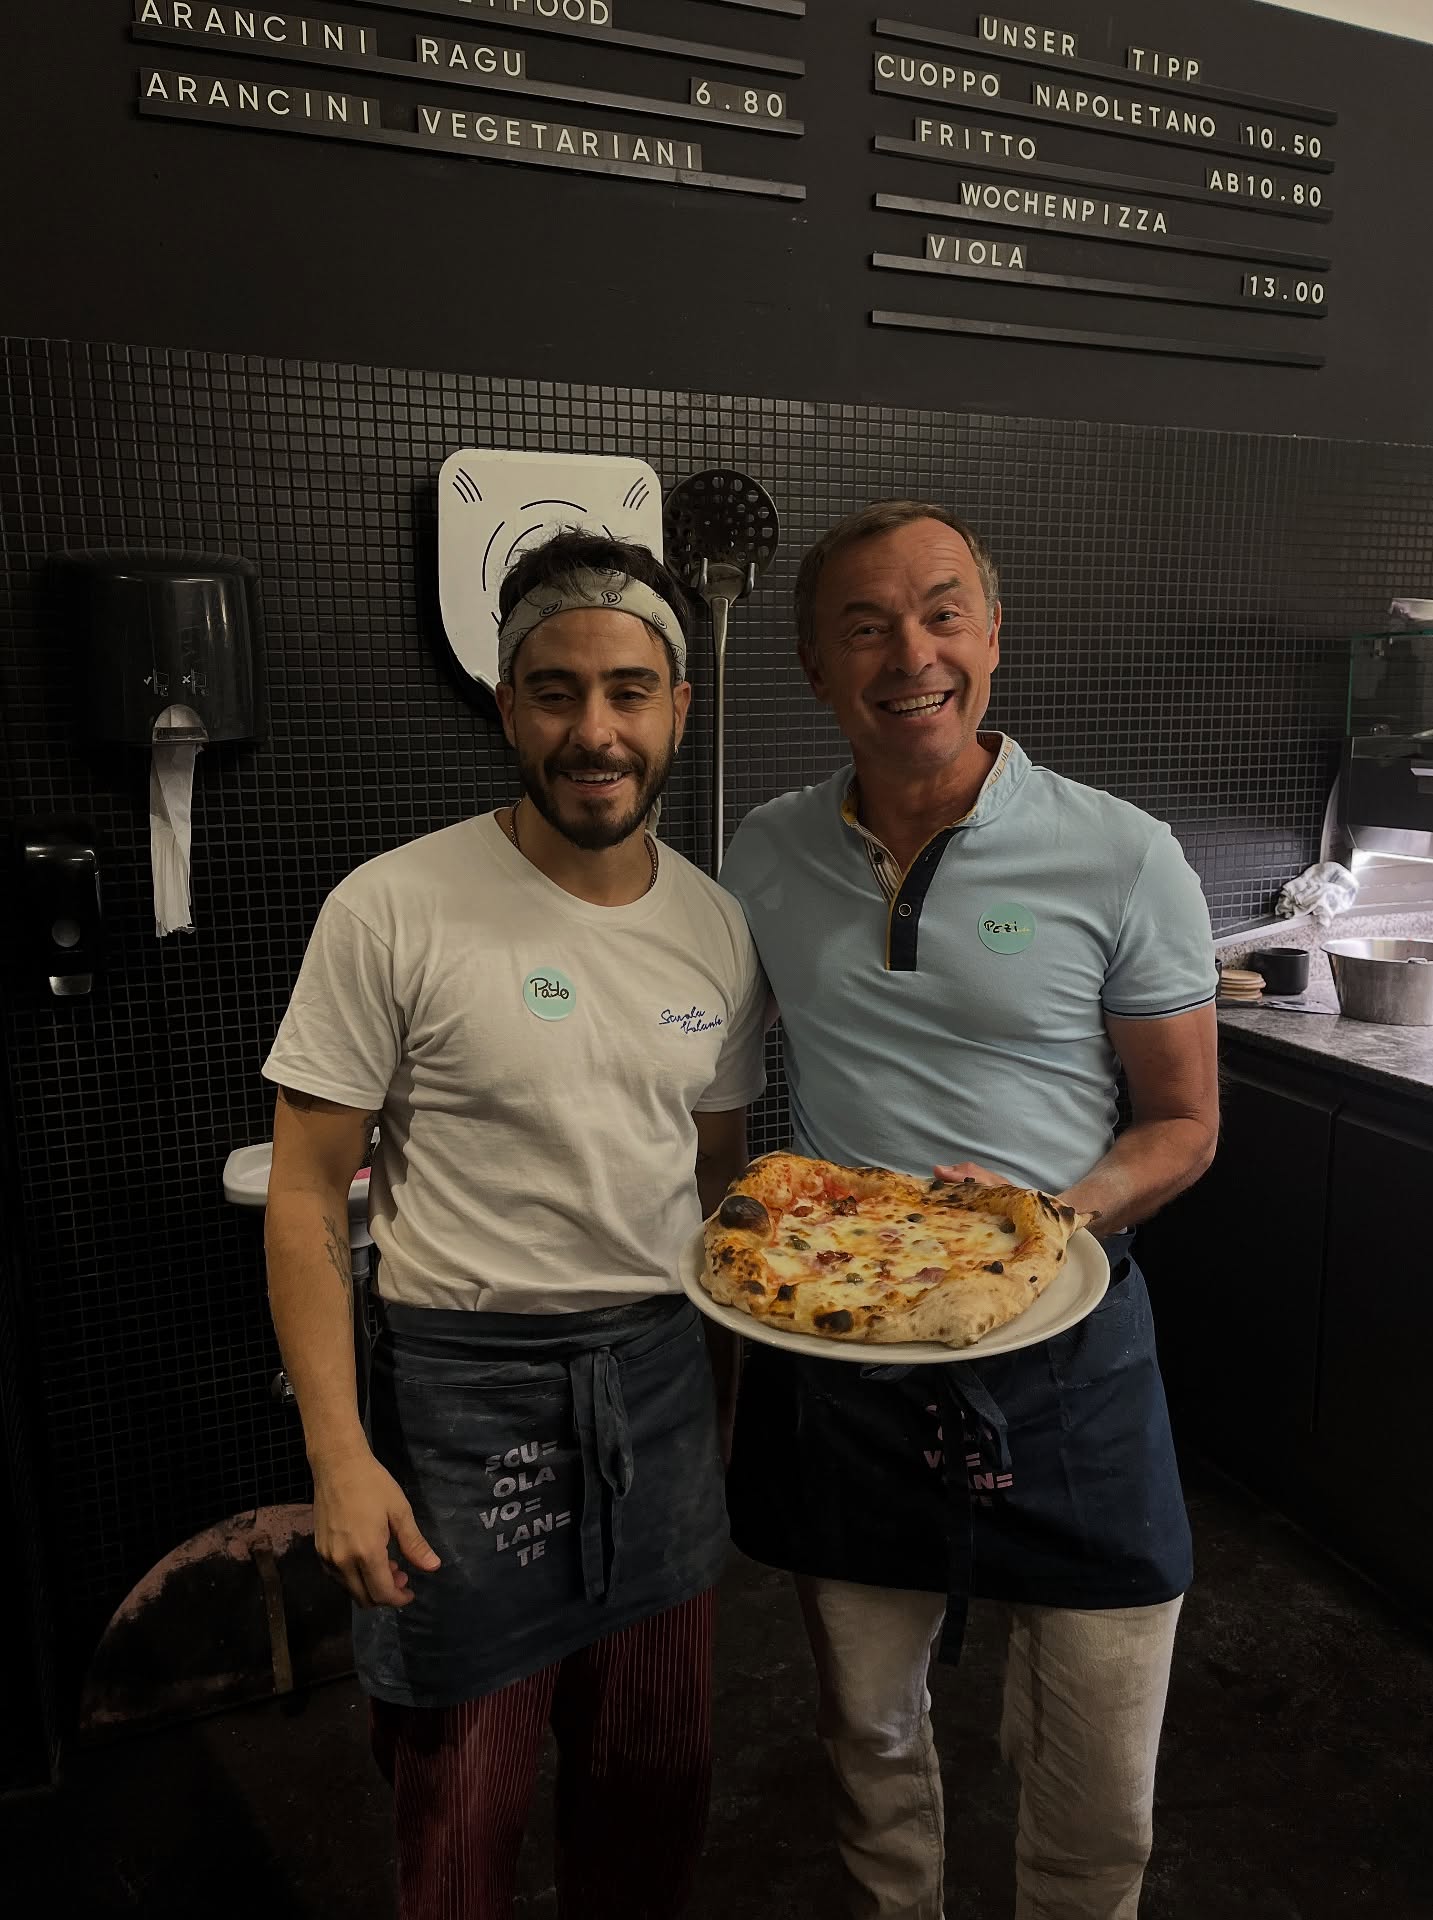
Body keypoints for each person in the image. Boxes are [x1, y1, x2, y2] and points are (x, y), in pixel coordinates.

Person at [720, 500, 1219, 1920]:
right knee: (870, 1744)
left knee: (1098, 1772)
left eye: (943, 611)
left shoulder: (1123, 854)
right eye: (864, 626)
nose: (910, 652)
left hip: (1070, 1350)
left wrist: (1051, 1214)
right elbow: (682, 1054)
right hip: (846, 1346)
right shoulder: (761, 854)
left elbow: (1183, 1124)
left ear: (994, 637)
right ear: (816, 670)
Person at [262, 529, 767, 1920]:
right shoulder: (394, 908)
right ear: (506, 703)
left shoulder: (720, 931)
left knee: (656, 1776)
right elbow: (308, 1191)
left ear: (678, 704)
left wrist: (733, 1394)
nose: (593, 730)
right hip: (464, 1397)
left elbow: (718, 1182)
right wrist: (338, 1455)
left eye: (627, 690)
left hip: (661, 1387)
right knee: (460, 1795)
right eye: (556, 691)